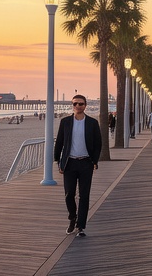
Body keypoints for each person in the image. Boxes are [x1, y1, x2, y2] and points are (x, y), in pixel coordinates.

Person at [53, 95, 102, 237]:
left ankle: (81, 226)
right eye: (75, 103)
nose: (78, 106)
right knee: (69, 194)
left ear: (85, 105)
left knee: (84, 195)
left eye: (81, 104)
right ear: (72, 105)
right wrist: (58, 161)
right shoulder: (65, 122)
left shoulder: (92, 123)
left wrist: (94, 161)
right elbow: (60, 143)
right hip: (70, 163)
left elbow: (98, 144)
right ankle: (72, 218)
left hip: (86, 163)